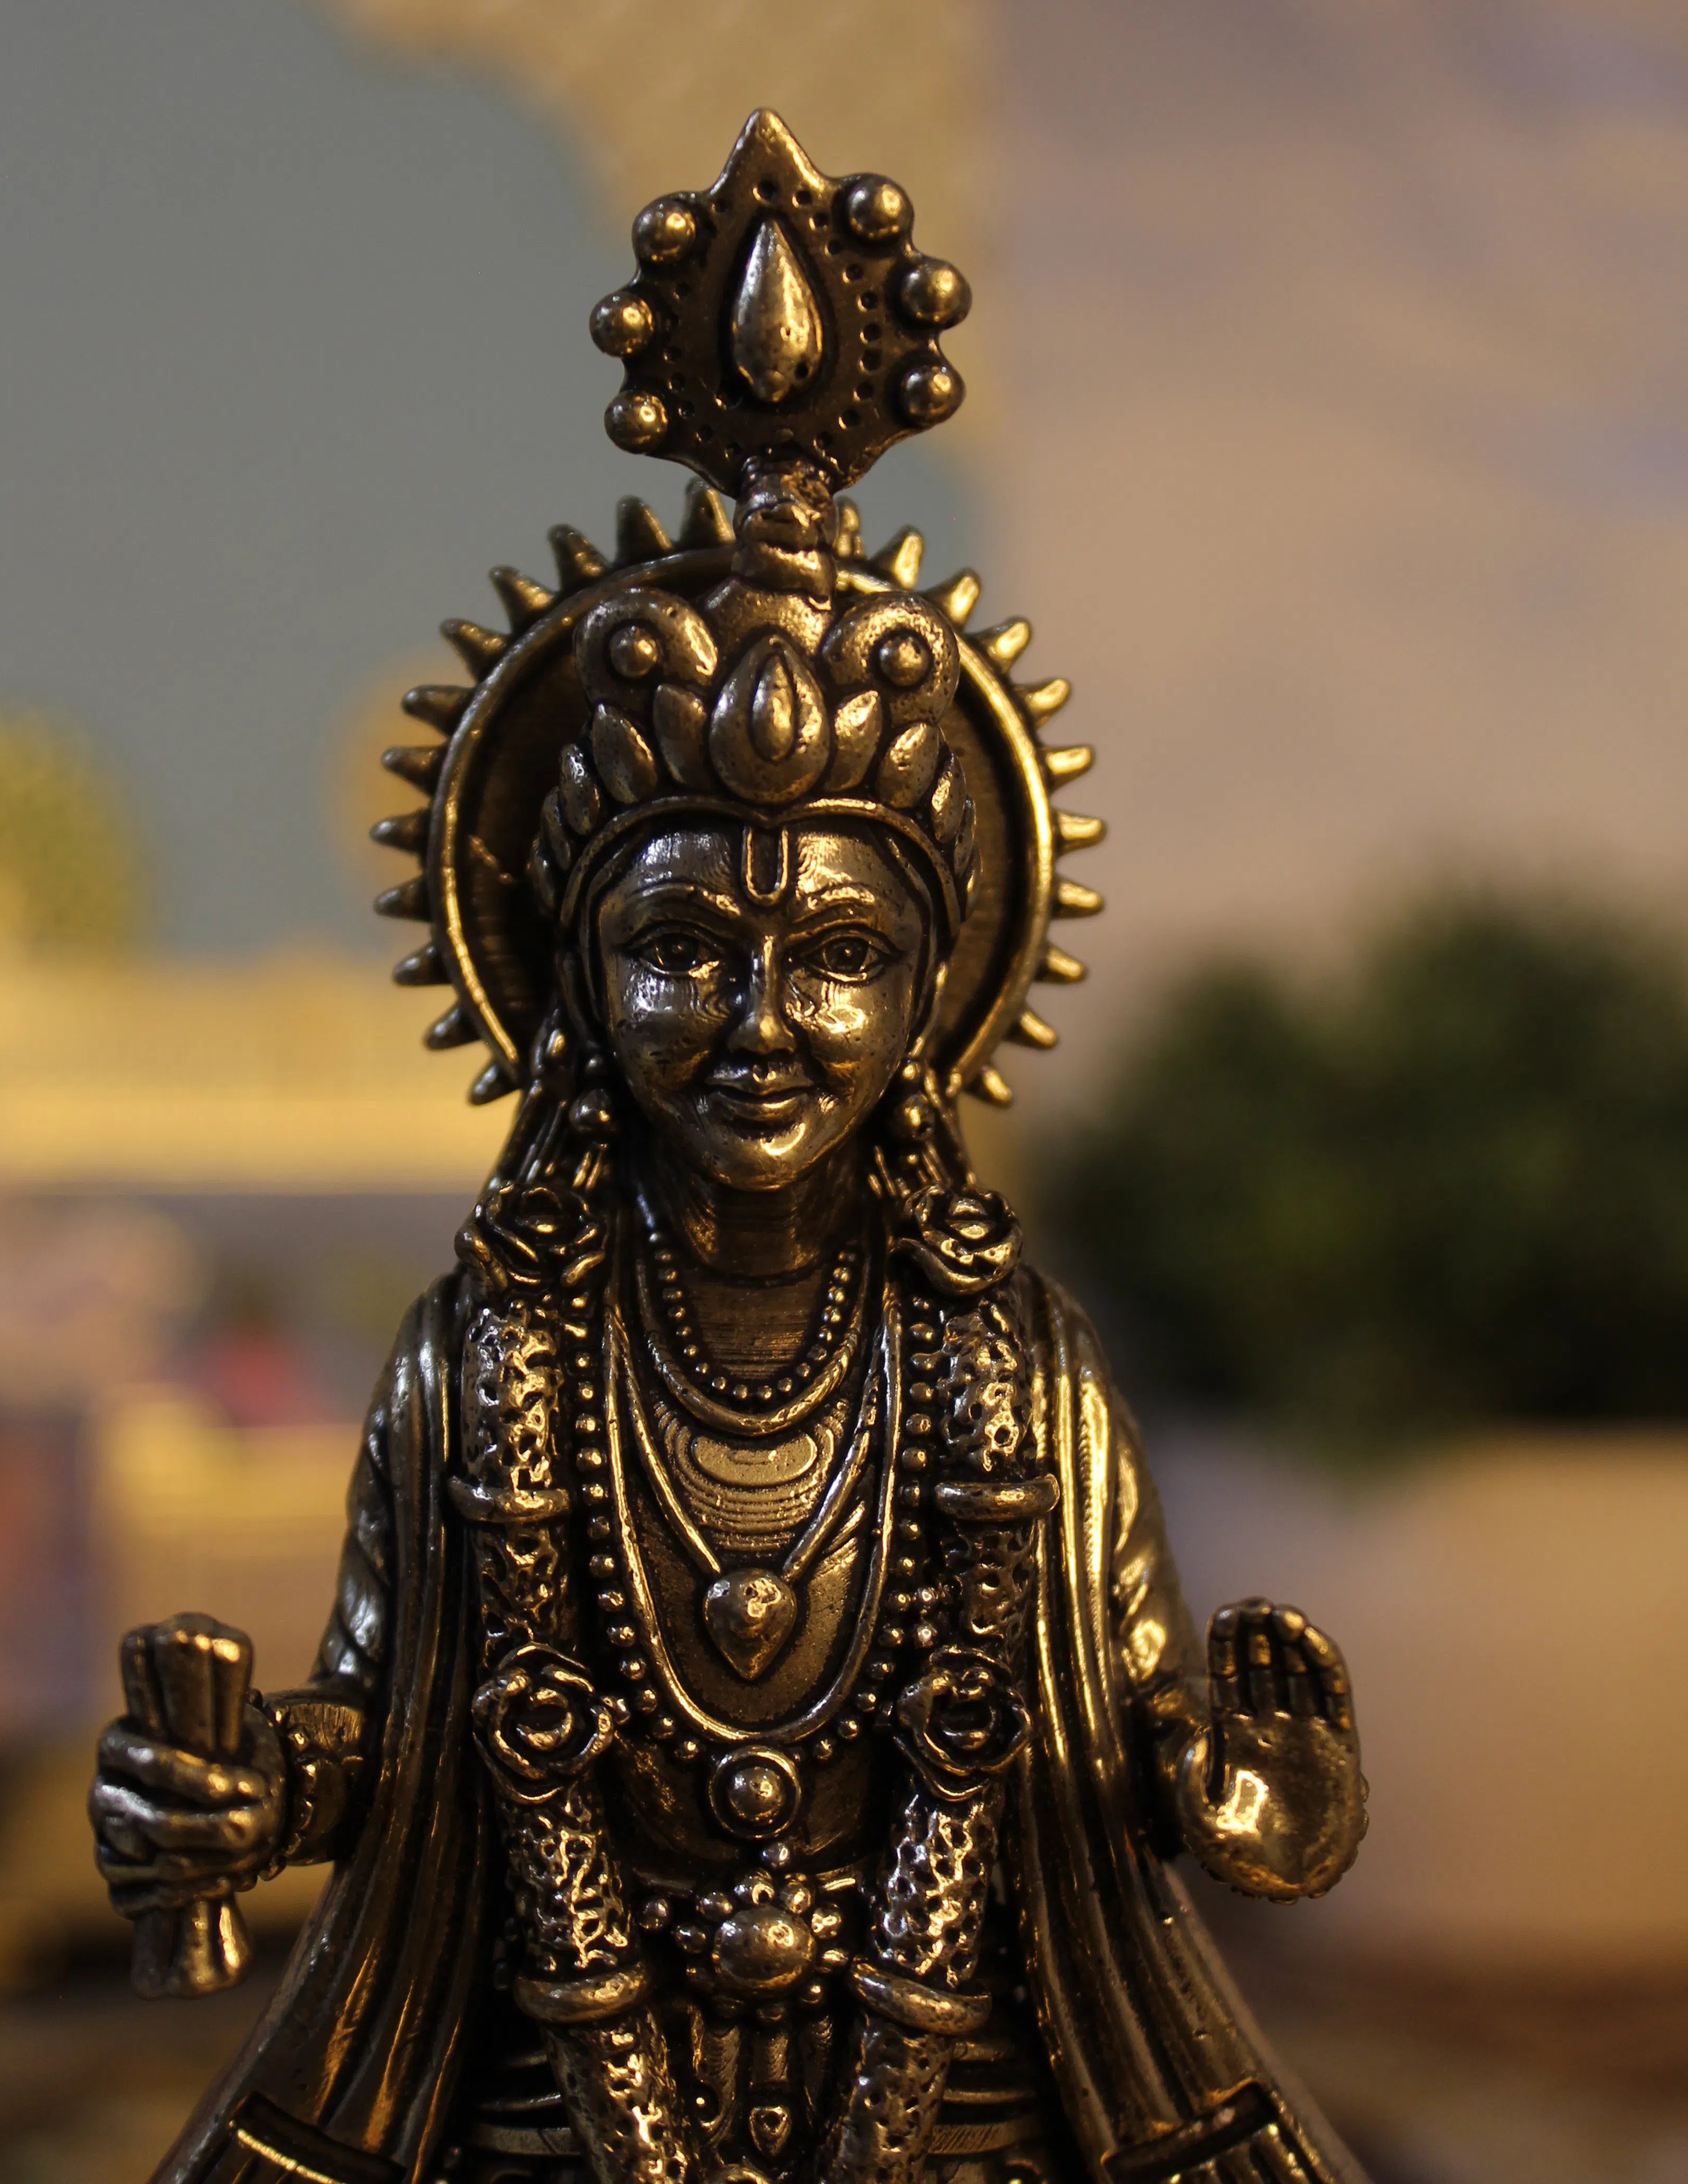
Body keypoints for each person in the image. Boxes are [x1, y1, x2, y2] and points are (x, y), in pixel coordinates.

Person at [90, 115, 1369, 2184]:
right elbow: (379, 1732)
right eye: (684, 944)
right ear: (572, 979)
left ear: (944, 995)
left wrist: (1245, 1790)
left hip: (946, 2109)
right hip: (558, 2111)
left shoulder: (1009, 1378)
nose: (764, 1022)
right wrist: (247, 1798)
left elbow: (1134, 1726)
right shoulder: (483, 1369)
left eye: (841, 952)